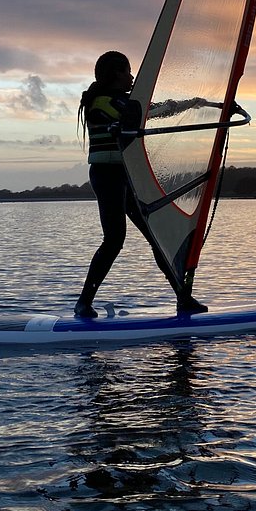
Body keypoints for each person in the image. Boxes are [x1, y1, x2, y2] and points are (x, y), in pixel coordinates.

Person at [75, 50, 207, 318]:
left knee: (157, 238)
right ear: (116, 74)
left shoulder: (123, 101)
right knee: (114, 240)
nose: (132, 77)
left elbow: (151, 110)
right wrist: (157, 106)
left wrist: (191, 103)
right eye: (128, 72)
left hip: (125, 178)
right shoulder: (100, 102)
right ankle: (83, 303)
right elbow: (137, 116)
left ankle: (184, 299)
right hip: (107, 176)